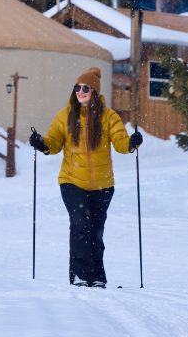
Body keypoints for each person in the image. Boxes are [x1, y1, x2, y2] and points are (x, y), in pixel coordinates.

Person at [29, 67, 142, 287]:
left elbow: (120, 141)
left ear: (95, 92)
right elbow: (53, 143)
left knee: (96, 231)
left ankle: (97, 276)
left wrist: (131, 143)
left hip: (102, 184)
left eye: (85, 88)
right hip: (72, 180)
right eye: (77, 88)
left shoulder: (108, 117)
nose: (80, 91)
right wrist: (41, 143)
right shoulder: (66, 116)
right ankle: (81, 275)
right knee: (81, 224)